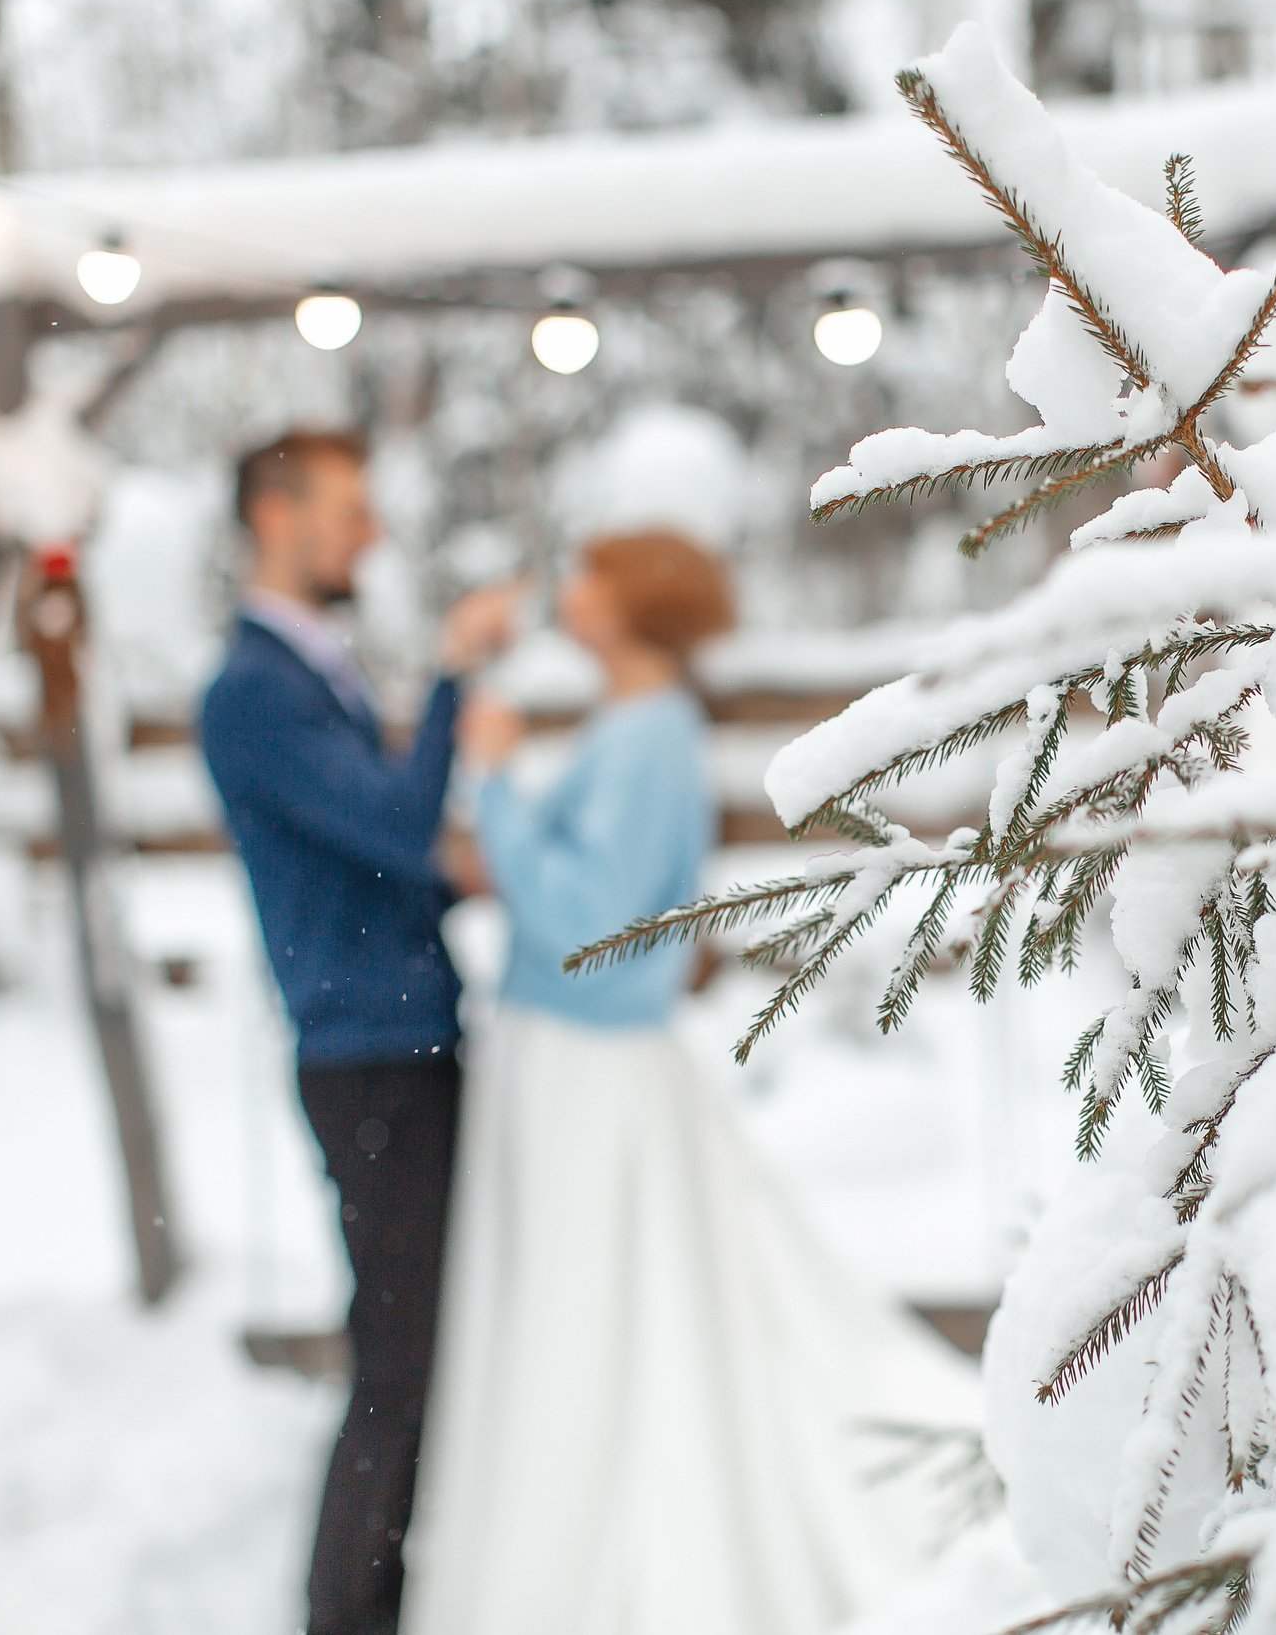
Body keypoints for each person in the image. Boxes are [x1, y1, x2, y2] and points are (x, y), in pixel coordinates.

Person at [400, 530, 978, 1635]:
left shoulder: (649, 733)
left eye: (590, 573)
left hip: (588, 1063)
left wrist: (497, 785)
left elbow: (590, 924)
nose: (569, 590)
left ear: (636, 601)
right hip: (566, 1058)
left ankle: (586, 1561)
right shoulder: (638, 726)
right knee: (603, 1306)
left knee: (594, 1309)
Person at [198, 430, 519, 1635]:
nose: (370, 535)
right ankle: (347, 1615)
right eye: (349, 509)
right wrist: (451, 677)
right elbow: (389, 823)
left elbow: (371, 864)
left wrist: (475, 879)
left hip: (400, 1042)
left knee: (416, 1351)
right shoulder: (251, 693)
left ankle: (376, 1599)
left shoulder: (305, 677)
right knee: (396, 1362)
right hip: (367, 1060)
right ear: (274, 516)